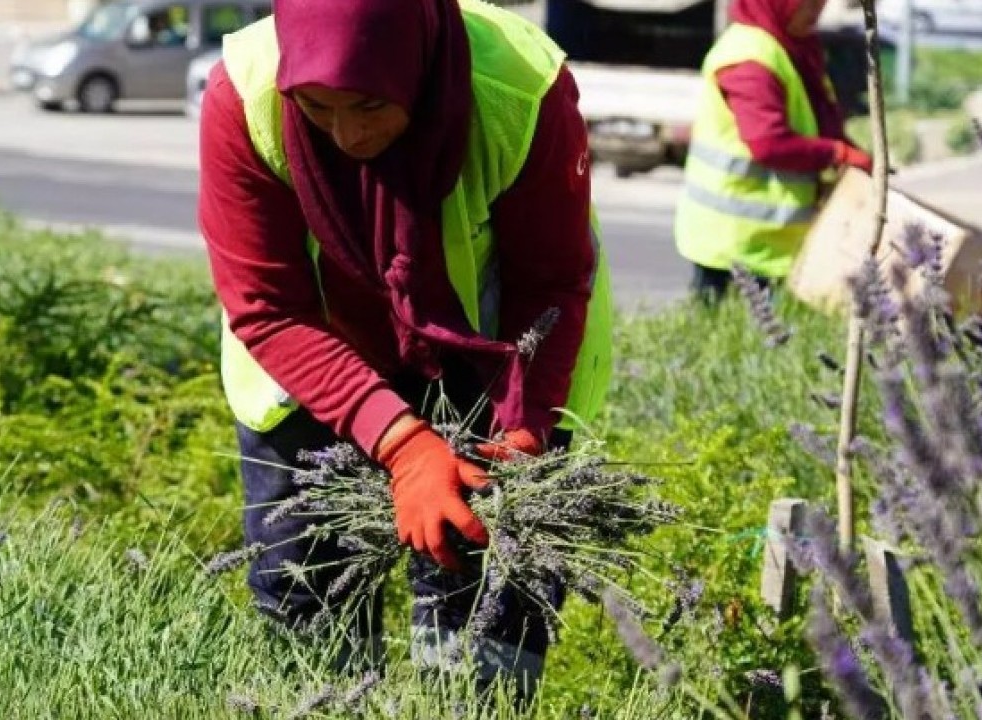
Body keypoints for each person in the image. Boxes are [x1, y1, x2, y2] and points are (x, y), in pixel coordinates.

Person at [198, 0, 613, 698]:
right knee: (311, 623)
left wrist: (520, 436)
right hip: (310, 370)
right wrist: (405, 447)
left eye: (367, 104)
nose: (348, 133)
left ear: (417, 67)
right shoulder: (244, 96)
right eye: (318, 107)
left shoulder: (517, 90)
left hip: (490, 367)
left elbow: (549, 284)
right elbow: (267, 307)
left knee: (482, 637)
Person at [674, 0, 875, 304]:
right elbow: (768, 143)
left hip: (773, 243)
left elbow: (818, 122)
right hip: (736, 243)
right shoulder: (750, 59)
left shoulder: (793, 47)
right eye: (807, 3)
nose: (817, 10)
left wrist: (854, 155)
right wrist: (837, 154)